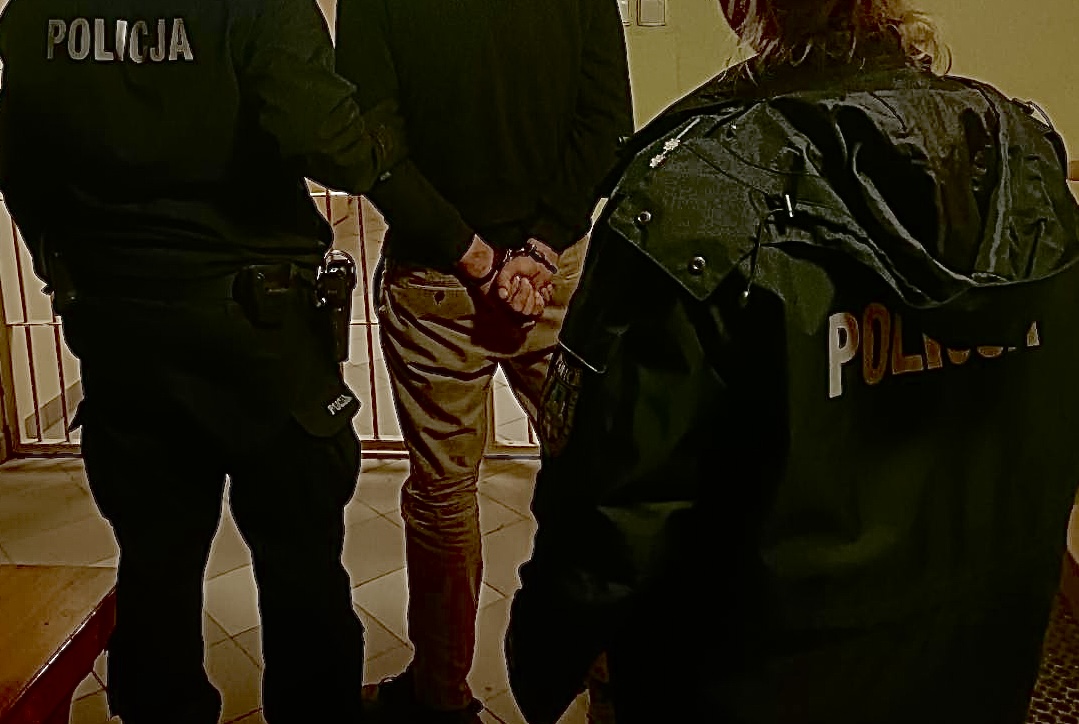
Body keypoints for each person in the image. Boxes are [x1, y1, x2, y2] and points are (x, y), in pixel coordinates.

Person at [506, 1, 1079, 722]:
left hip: (750, 683)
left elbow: (606, 509)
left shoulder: (692, 197)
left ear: (738, 6)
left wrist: (541, 660)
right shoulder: (1018, 162)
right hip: (975, 666)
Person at [0, 1, 408, 722]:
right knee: (300, 563)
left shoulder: (39, 11)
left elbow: (17, 156)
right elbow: (333, 149)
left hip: (122, 329)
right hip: (262, 337)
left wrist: (62, 270)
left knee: (155, 562)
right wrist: (391, 129)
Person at [333, 1, 633, 721]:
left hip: (436, 274)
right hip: (555, 277)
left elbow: (372, 144)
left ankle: (439, 696)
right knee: (593, 479)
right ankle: (611, 683)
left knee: (443, 496)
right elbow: (606, 126)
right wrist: (542, 246)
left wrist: (469, 253)